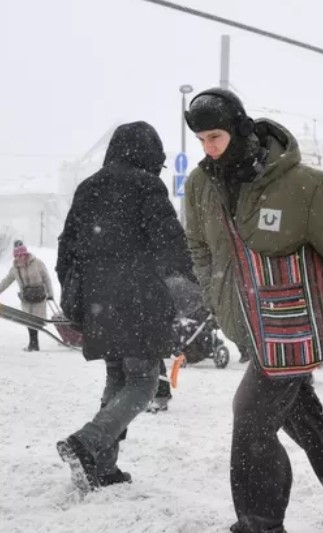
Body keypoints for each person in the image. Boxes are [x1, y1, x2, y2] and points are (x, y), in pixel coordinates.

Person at [183, 88, 323, 533]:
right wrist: (214, 293)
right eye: (201, 140)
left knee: (251, 416)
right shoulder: (200, 184)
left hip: (293, 323)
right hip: (246, 322)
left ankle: (260, 524)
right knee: (295, 409)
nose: (209, 148)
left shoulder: (304, 184)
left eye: (215, 137)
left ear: (238, 129)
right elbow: (198, 248)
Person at [54, 121, 196, 492]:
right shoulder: (147, 185)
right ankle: (87, 442)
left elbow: (66, 249)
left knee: (117, 377)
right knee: (144, 383)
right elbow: (169, 242)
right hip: (139, 300)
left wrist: (75, 296)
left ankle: (104, 467)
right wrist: (186, 282)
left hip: (99, 303)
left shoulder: (88, 187)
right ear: (149, 154)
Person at [0, 243, 54, 351]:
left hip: (39, 296)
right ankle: (33, 344)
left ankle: (34, 344)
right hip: (26, 297)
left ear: (26, 254)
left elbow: (47, 278)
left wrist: (50, 294)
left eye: (22, 255)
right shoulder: (15, 268)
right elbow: (6, 281)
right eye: (17, 256)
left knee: (36, 320)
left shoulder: (37, 263)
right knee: (28, 320)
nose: (20, 257)